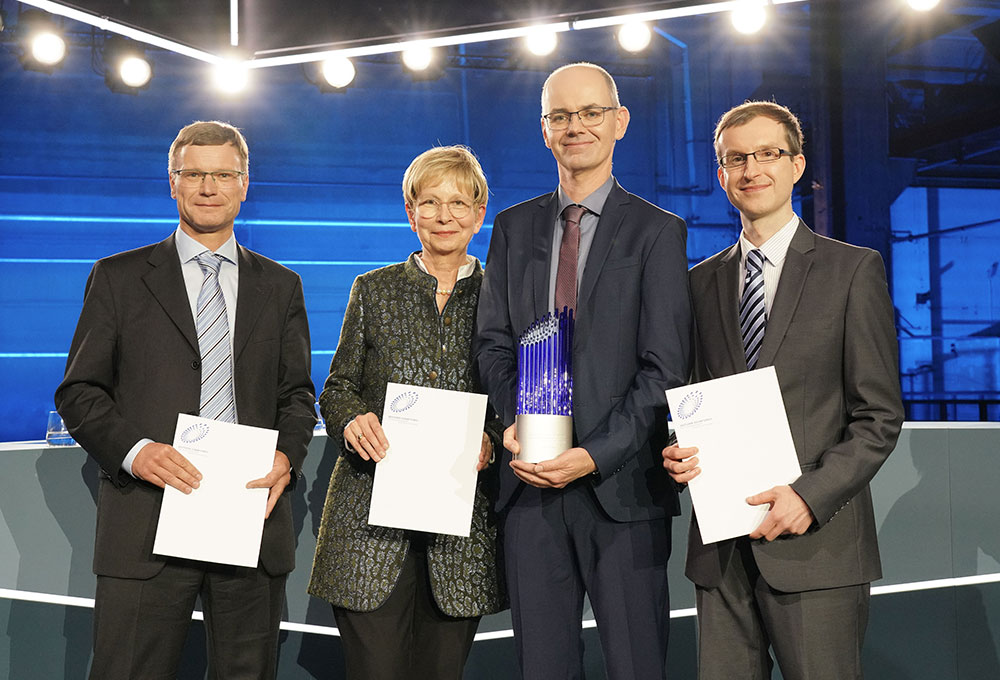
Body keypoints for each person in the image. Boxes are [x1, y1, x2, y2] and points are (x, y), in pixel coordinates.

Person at [54, 120, 316, 679]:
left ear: (245, 184)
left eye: (223, 174)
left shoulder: (281, 285)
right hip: (145, 524)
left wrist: (287, 457)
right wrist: (134, 450)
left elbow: (296, 395)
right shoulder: (118, 278)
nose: (208, 187)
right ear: (172, 182)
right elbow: (79, 391)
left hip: (249, 523)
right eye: (193, 174)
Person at [662, 101, 904, 680]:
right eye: (736, 159)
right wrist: (674, 444)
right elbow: (688, 395)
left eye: (768, 154)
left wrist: (810, 496)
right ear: (721, 175)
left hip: (816, 546)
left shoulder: (853, 270)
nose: (752, 169)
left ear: (797, 166)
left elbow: (878, 417)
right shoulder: (698, 283)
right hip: (721, 553)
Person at [475, 62, 693, 679]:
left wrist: (594, 454)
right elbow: (493, 342)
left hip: (622, 490)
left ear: (619, 121)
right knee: (542, 667)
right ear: (545, 131)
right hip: (529, 489)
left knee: (636, 665)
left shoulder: (658, 232)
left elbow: (664, 369)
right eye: (560, 116)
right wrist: (513, 419)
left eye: (591, 112)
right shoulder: (513, 228)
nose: (577, 126)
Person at [308, 145, 506, 680]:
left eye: (460, 203)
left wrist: (490, 434)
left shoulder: (503, 298)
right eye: (431, 203)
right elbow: (337, 387)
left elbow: (512, 397)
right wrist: (351, 418)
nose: (445, 216)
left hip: (459, 528)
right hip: (370, 525)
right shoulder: (373, 291)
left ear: (479, 213)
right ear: (410, 212)